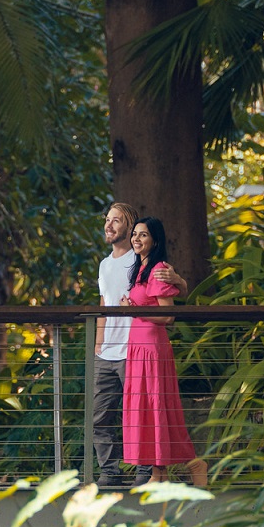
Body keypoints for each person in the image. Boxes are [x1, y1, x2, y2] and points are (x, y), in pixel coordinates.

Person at [93, 202, 186, 487]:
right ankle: (109, 471)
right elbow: (104, 303)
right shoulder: (106, 264)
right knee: (100, 416)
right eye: (107, 220)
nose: (109, 225)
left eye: (116, 220)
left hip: (135, 349)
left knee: (140, 415)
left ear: (130, 225)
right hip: (108, 351)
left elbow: (172, 291)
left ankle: (146, 473)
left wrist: (180, 279)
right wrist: (98, 341)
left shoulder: (141, 260)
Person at [121, 217, 207, 487]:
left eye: (143, 235)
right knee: (146, 410)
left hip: (152, 350)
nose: (136, 239)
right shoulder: (140, 269)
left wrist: (133, 310)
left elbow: (167, 315)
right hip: (138, 349)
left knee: (158, 407)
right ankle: (159, 475)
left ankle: (195, 464)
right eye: (134, 234)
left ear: (154, 241)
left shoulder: (157, 269)